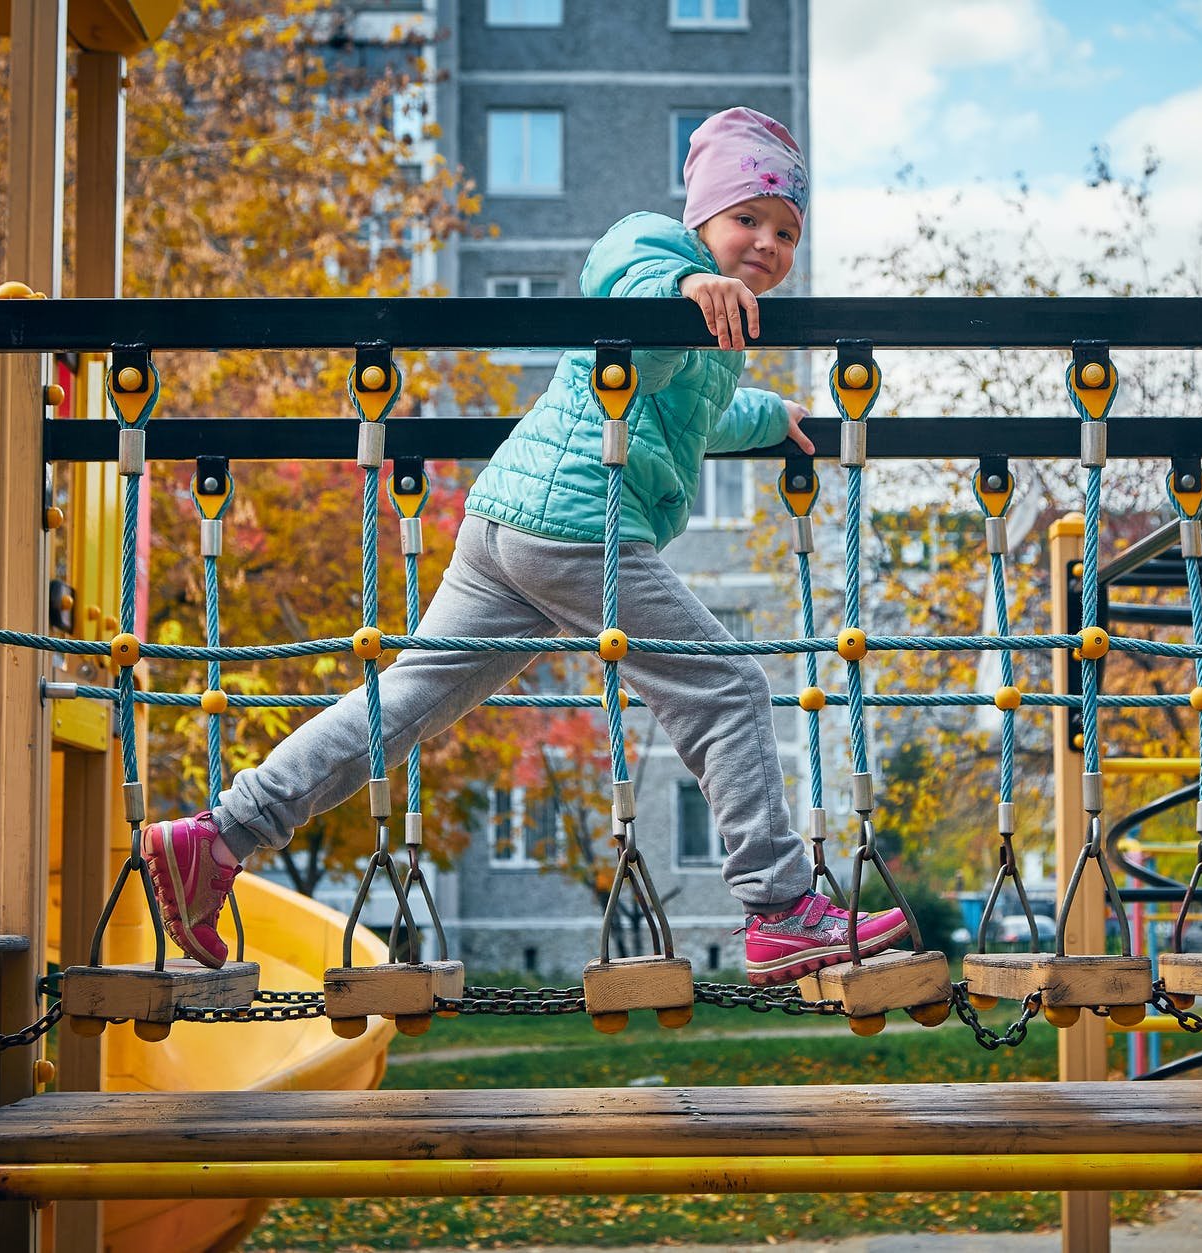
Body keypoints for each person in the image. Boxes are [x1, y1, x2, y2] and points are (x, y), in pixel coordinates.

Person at [144, 107, 907, 985]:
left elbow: (690, 413)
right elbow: (625, 295)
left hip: (506, 525)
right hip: (578, 524)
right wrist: (685, 292)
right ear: (701, 219)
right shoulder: (654, 252)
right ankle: (778, 908)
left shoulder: (718, 338)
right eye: (748, 220)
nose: (766, 244)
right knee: (726, 685)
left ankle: (221, 834)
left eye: (786, 233)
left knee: (404, 705)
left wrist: (773, 415)